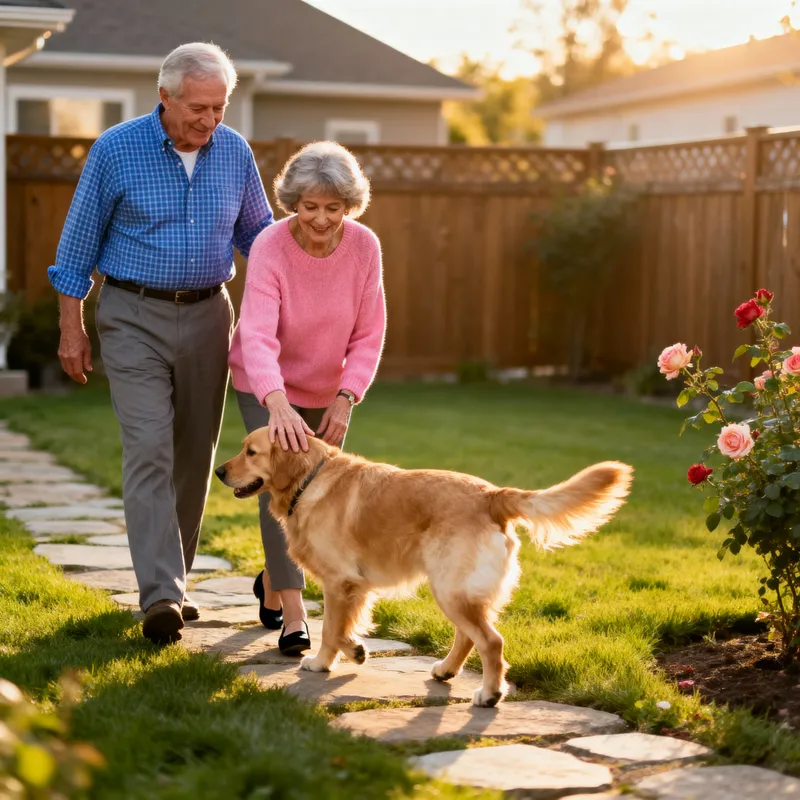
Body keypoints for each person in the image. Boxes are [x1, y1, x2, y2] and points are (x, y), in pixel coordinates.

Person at [48, 43, 273, 645]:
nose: (210, 120)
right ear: (165, 96)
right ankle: (161, 596)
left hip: (209, 315)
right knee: (148, 446)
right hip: (132, 314)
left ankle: (174, 579)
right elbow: (76, 249)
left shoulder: (235, 152)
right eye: (198, 108)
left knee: (194, 454)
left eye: (219, 109)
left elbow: (261, 237)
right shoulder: (116, 150)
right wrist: (71, 327)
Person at [228, 141, 386, 655]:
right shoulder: (271, 245)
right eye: (310, 206)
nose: (321, 219)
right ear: (292, 202)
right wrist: (276, 401)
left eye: (333, 208)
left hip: (326, 388)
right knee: (280, 486)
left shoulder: (364, 246)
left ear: (350, 206)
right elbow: (256, 332)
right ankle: (295, 618)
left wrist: (346, 396)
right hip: (263, 383)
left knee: (321, 497)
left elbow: (369, 333)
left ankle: (273, 582)